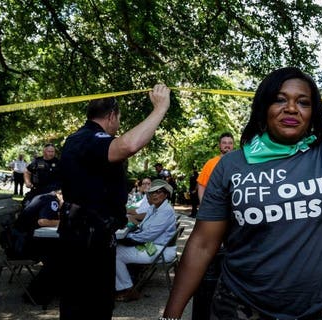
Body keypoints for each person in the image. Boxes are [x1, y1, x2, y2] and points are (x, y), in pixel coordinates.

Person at [162, 18, 322, 319]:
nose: (292, 108)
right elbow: (203, 244)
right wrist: (171, 314)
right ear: (263, 108)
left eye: (303, 102)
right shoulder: (232, 165)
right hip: (241, 307)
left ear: (313, 113)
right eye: (280, 99)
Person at [57, 84, 170, 319]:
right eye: (118, 119)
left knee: (95, 303)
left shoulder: (82, 140)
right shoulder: (88, 138)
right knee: (89, 305)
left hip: (92, 234)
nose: (118, 125)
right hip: (87, 238)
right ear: (111, 116)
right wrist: (160, 108)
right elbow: (128, 145)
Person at [115, 179, 177, 302]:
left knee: (115, 253)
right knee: (117, 248)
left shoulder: (165, 211)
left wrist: (125, 238)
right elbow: (143, 227)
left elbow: (147, 236)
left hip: (158, 250)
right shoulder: (154, 208)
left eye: (158, 192)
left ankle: (128, 289)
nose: (154, 195)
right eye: (152, 192)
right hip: (153, 246)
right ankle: (125, 283)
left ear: (166, 195)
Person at [196, 132, 234, 202]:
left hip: (233, 206)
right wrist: (203, 205)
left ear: (233, 145)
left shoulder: (238, 163)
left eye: (230, 143)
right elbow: (201, 186)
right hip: (215, 205)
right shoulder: (210, 163)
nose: (227, 145)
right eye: (224, 143)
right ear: (219, 145)